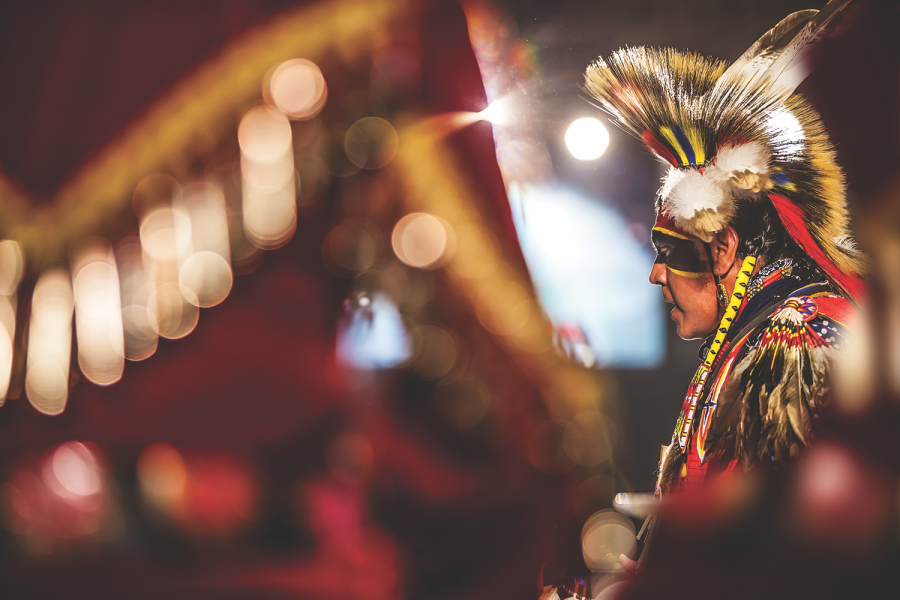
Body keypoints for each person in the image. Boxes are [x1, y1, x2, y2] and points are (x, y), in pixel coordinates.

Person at [583, 0, 866, 496]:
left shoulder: (799, 337)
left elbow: (780, 548)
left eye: (669, 252)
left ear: (722, 250)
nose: (655, 275)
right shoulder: (754, 337)